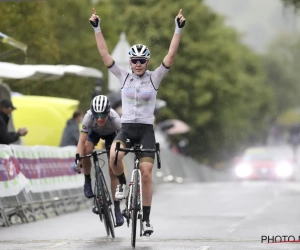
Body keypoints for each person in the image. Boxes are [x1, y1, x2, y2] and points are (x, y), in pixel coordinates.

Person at [89, 7, 186, 235]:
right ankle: (122, 184)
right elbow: (104, 55)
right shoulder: (123, 76)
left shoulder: (154, 78)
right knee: (114, 155)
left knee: (146, 173)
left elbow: (170, 56)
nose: (138, 64)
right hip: (126, 128)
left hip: (145, 131)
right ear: (130, 62)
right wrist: (97, 28)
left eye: (142, 60)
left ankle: (148, 219)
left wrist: (177, 30)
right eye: (134, 60)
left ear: (147, 60)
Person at [75, 95, 124, 226]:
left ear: (108, 112)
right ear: (93, 113)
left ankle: (117, 209)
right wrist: (78, 160)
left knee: (112, 170)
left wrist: (117, 157)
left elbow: (121, 143)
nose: (100, 118)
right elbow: (81, 141)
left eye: (103, 115)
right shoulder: (88, 117)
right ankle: (87, 180)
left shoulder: (115, 119)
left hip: (111, 136)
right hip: (94, 133)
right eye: (97, 115)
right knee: (86, 151)